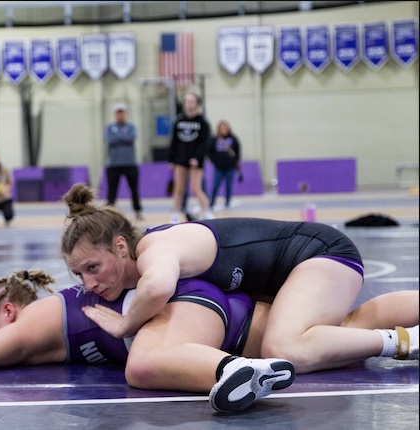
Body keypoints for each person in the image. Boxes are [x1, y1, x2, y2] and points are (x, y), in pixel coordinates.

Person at [0, 268, 418, 413]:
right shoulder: (49, 320)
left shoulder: (40, 322)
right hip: (210, 310)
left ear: (8, 311)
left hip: (196, 314)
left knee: (145, 368)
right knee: (352, 324)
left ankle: (227, 372)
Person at [60, 183, 419, 411]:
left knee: (286, 348)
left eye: (93, 267)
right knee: (345, 327)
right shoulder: (150, 253)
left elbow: (157, 289)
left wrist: (125, 323)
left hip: (318, 252)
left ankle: (404, 342)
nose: (89, 283)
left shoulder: (155, 248)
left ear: (121, 246)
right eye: (79, 275)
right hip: (300, 262)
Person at [167, 91, 213, 224]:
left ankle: (207, 211)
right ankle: (175, 214)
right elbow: (174, 141)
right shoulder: (179, 121)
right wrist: (172, 160)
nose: (189, 104)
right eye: (187, 101)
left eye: (192, 101)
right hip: (180, 159)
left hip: (195, 161)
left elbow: (205, 143)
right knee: (179, 188)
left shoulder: (202, 122)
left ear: (197, 103)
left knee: (196, 188)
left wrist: (197, 158)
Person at [104, 103, 143, 221]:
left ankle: (137, 211)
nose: (120, 115)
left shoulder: (131, 127)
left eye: (122, 112)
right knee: (112, 190)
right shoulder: (109, 128)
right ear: (115, 114)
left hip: (130, 163)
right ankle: (109, 212)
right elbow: (110, 139)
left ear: (125, 114)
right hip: (113, 164)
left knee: (134, 189)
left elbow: (131, 138)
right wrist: (122, 137)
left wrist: (119, 137)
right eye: (118, 112)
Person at [208, 120, 242, 209]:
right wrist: (214, 160)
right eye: (221, 128)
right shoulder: (214, 139)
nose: (223, 129)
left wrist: (235, 162)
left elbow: (237, 151)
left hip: (230, 167)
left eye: (225, 127)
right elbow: (209, 151)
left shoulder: (233, 138)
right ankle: (212, 202)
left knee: (228, 185)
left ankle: (227, 202)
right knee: (215, 185)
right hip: (219, 166)